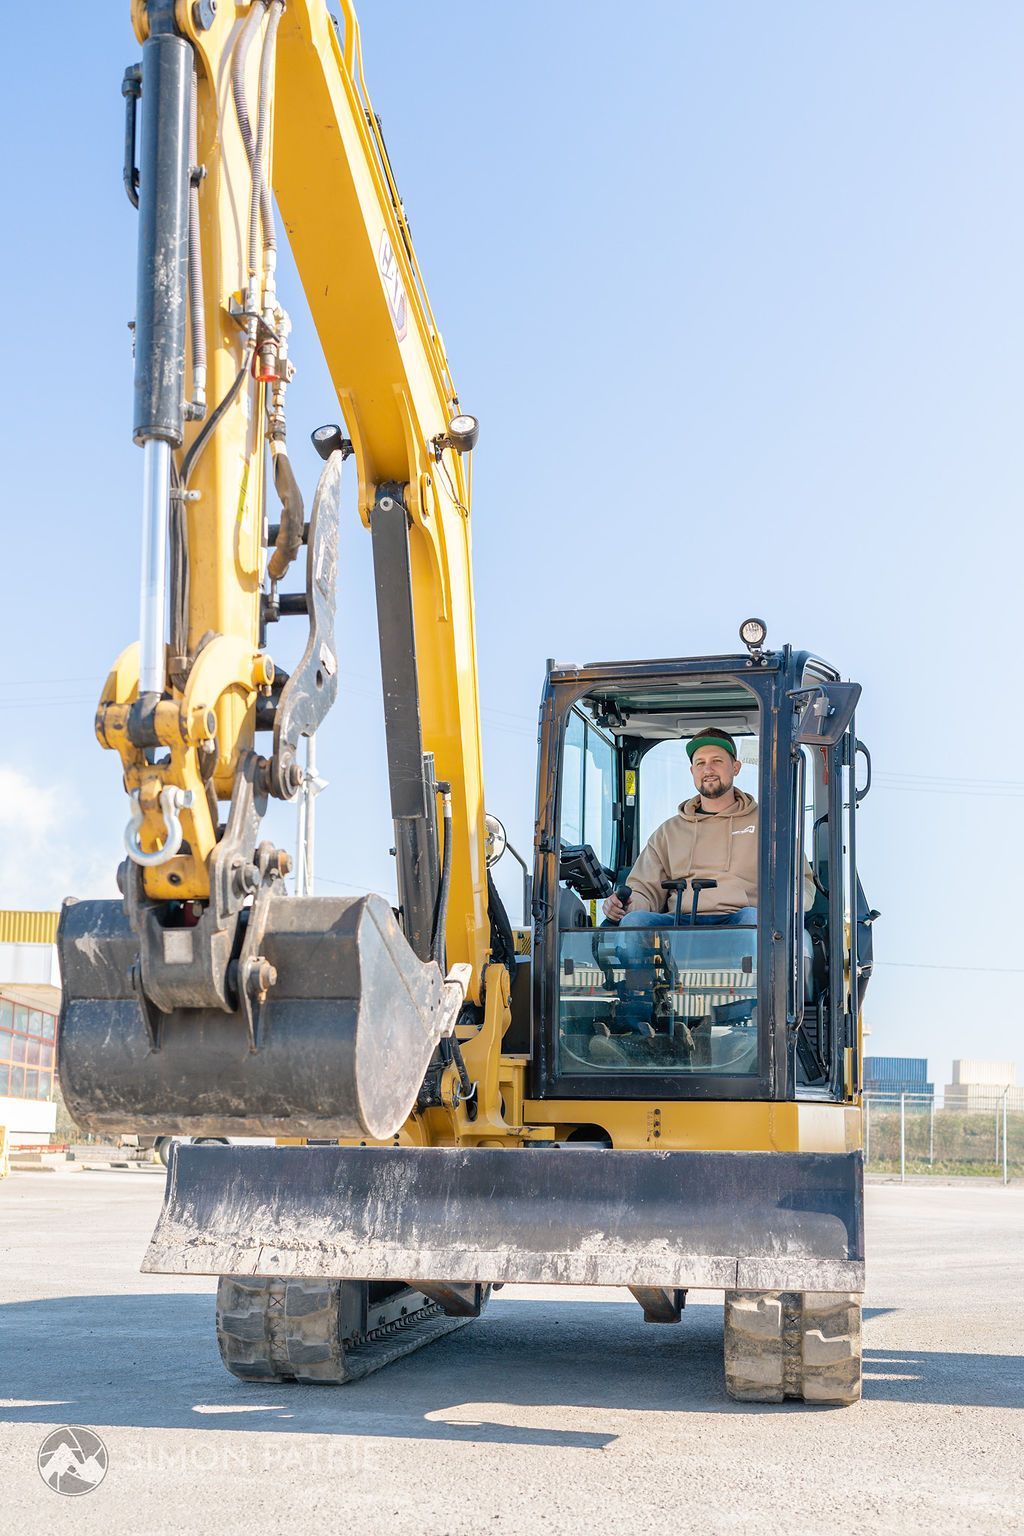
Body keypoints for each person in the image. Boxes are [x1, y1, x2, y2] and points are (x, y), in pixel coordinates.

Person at [602, 726, 759, 928]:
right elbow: (644, 890)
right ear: (692, 771)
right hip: (679, 923)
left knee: (754, 923)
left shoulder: (766, 827)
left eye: (717, 761)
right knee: (635, 921)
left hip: (739, 920)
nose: (708, 769)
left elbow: (799, 885)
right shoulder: (668, 833)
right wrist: (626, 905)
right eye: (700, 763)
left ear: (735, 767)